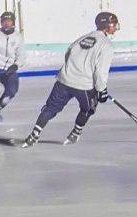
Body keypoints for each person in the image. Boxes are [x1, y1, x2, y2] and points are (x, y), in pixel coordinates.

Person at [20, 12, 118, 148]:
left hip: (64, 80)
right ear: (106, 26)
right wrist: (102, 89)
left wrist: (72, 70)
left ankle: (33, 136)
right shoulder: (106, 45)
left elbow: (68, 53)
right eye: (114, 24)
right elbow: (101, 71)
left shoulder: (82, 38)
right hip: (84, 85)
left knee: (50, 109)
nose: (116, 27)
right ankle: (75, 133)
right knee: (88, 109)